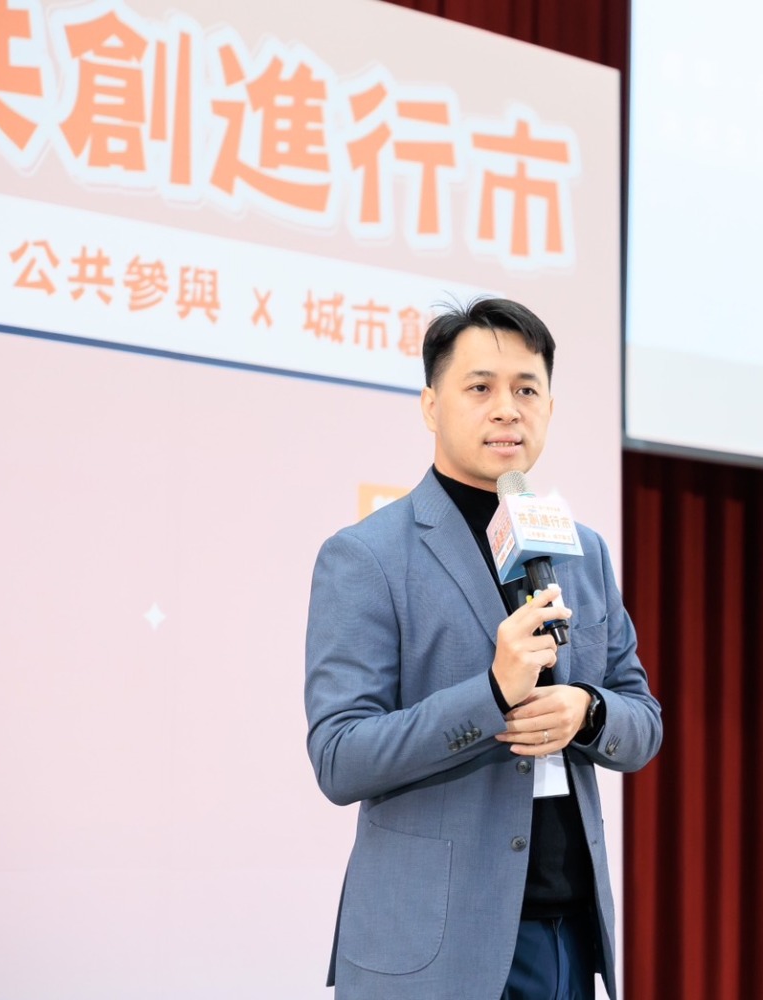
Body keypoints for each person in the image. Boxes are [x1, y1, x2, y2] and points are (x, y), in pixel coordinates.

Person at [305, 297, 663, 1000]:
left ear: (550, 408)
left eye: (527, 390)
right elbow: (340, 757)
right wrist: (492, 694)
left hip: (567, 937)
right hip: (431, 951)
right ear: (431, 405)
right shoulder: (368, 556)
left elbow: (642, 720)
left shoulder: (582, 550)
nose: (507, 409)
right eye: (480, 388)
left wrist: (587, 711)